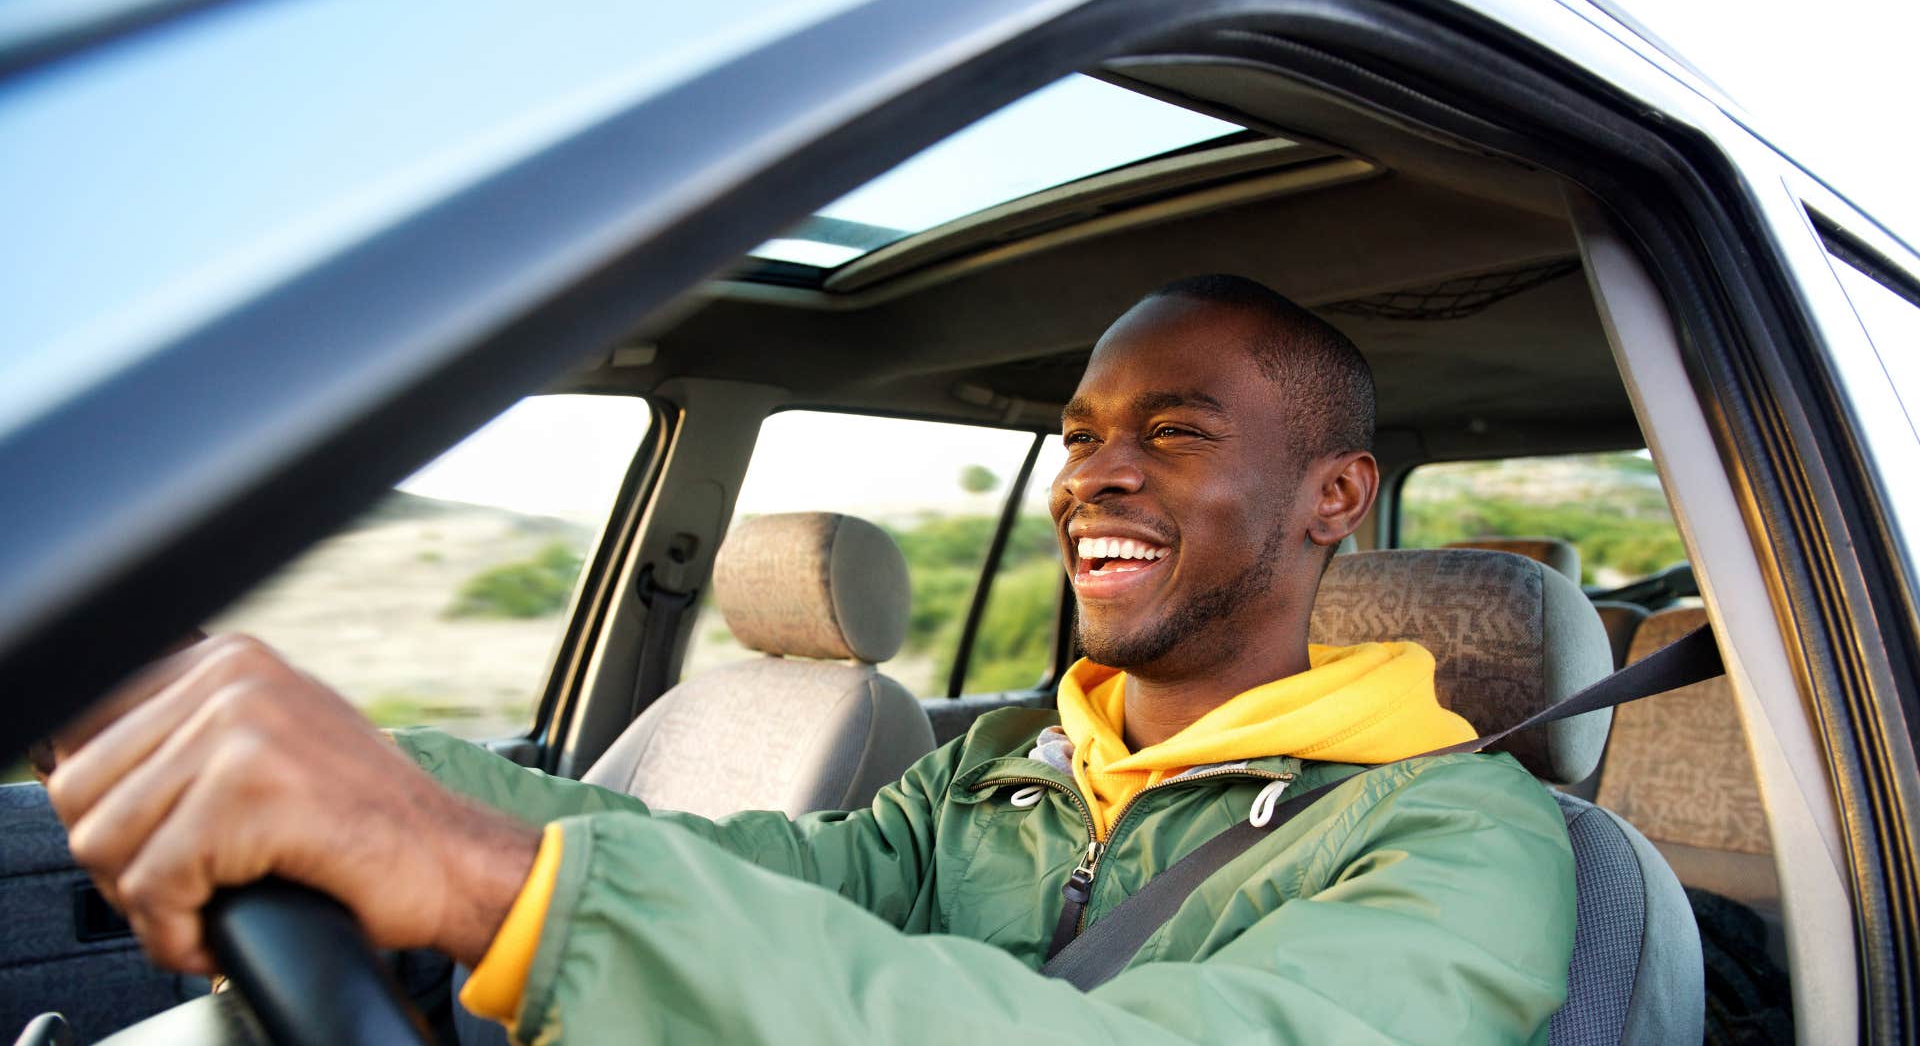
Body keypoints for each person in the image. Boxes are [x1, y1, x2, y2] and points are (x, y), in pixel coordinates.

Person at [43, 275, 1575, 1043]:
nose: (1092, 477)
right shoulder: (1006, 775)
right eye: (1084, 437)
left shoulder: (1456, 840)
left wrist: (487, 883)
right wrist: (346, 764)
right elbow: (764, 876)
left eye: (1172, 435)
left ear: (1335, 497)